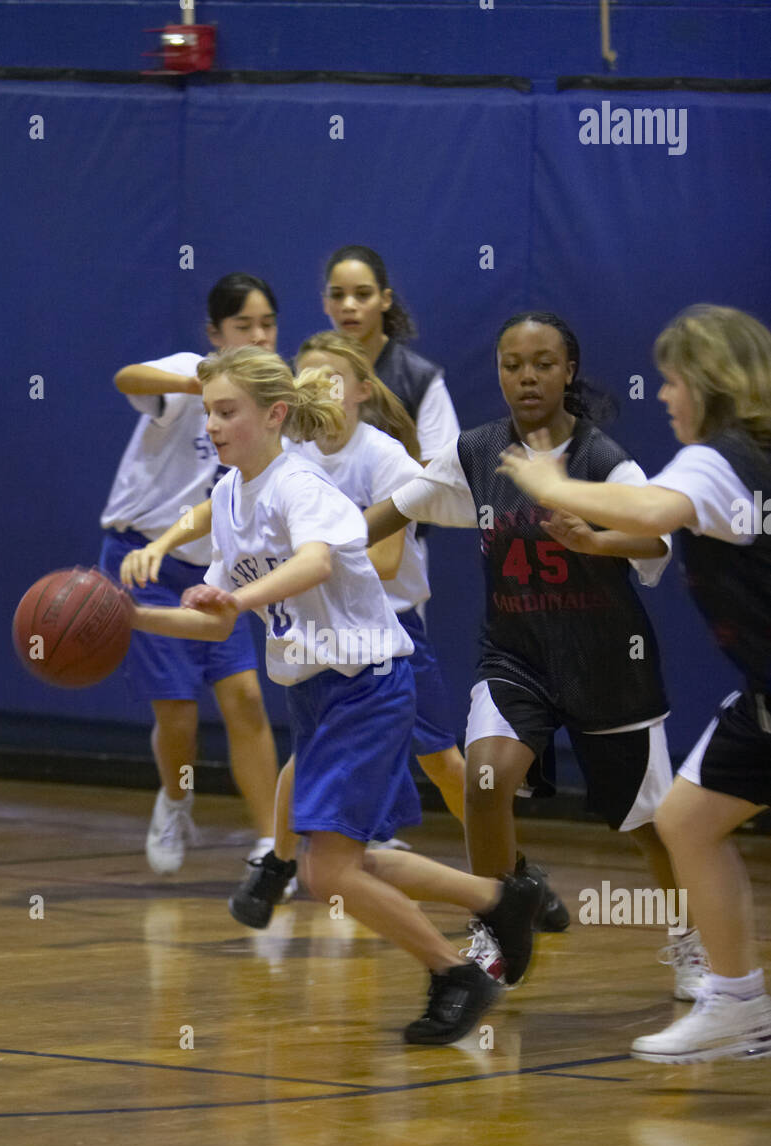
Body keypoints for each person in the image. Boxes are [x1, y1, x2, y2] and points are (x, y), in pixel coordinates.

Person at [129, 344, 545, 1044]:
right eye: (208, 414)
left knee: (327, 871)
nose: (215, 427)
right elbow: (214, 613)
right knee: (348, 863)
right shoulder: (229, 497)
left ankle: (455, 974)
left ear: (275, 415)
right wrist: (128, 618)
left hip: (369, 687)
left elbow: (314, 561)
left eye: (228, 412)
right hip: (314, 696)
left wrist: (239, 600)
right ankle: (502, 898)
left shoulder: (301, 486)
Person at [365, 312, 704, 997]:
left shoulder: (603, 460)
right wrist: (320, 543)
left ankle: (692, 938)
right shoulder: (477, 451)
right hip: (516, 655)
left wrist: (599, 540)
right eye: (512, 364)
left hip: (607, 663)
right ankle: (496, 925)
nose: (525, 376)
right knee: (485, 780)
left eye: (542, 363)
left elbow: (659, 542)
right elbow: (393, 510)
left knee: (647, 824)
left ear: (567, 372)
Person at [496, 304, 771, 1062]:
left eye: (672, 381)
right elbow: (667, 524)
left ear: (708, 383)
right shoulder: (749, 457)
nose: (665, 396)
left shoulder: (719, 458)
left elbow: (652, 505)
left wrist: (551, 481)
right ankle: (737, 1003)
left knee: (684, 822)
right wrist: (595, 540)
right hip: (761, 699)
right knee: (685, 821)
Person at [229, 331, 465, 929]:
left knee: (441, 761)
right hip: (323, 632)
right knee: (305, 757)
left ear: (362, 389)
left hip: (388, 630)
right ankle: (282, 863)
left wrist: (307, 558)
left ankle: (507, 866)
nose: (319, 388)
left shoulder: (381, 455)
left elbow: (382, 564)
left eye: (332, 378)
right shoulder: (291, 455)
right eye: (306, 376)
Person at [99, 274, 280, 874]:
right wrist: (194, 381)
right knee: (177, 712)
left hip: (215, 572)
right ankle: (175, 799)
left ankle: (271, 848)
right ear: (215, 334)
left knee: (247, 700)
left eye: (267, 324)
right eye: (242, 326)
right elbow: (126, 377)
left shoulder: (271, 398)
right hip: (145, 556)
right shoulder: (186, 372)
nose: (257, 335)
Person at [321, 244, 460, 462]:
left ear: (385, 299)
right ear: (325, 303)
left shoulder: (420, 379)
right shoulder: (302, 373)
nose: (348, 305)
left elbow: (441, 475)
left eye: (363, 294)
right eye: (337, 295)